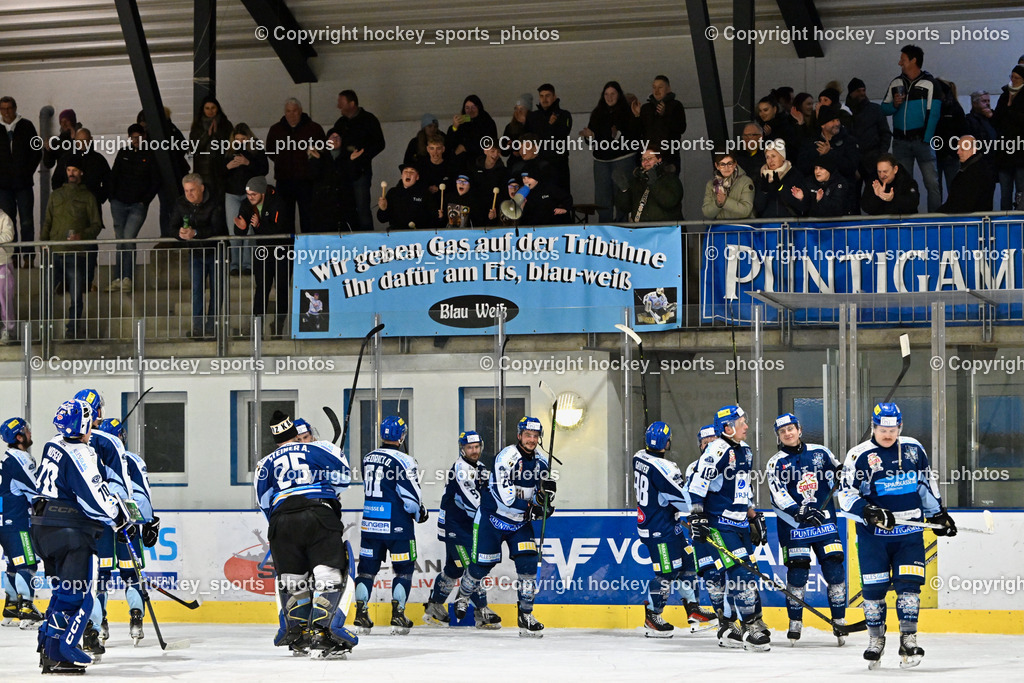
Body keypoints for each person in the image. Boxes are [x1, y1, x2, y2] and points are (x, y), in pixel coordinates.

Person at [838, 402, 957, 670]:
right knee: (873, 591)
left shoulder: (914, 449)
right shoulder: (859, 455)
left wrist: (938, 514)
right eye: (883, 429)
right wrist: (868, 510)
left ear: (900, 427)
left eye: (893, 429)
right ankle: (876, 640)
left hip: (909, 534)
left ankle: (908, 638)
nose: (888, 434)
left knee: (909, 589)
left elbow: (926, 483)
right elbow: (845, 494)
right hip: (874, 538)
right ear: (874, 427)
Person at [32, 399, 135, 674]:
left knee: (62, 591)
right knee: (77, 594)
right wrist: (120, 517)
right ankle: (61, 653)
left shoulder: (52, 443)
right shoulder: (82, 454)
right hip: (69, 531)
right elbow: (95, 498)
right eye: (92, 422)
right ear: (83, 424)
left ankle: (48, 646)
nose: (94, 427)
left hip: (42, 527)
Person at [254, 411, 358, 659]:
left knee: (293, 580)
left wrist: (281, 524)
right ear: (295, 434)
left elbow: (263, 501)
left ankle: (298, 633)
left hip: (281, 522)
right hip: (318, 514)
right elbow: (344, 479)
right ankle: (323, 632)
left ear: (276, 439)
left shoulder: (265, 463)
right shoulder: (315, 450)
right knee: (328, 575)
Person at [453, 416, 555, 637]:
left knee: (528, 566)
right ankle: (463, 594)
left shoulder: (542, 463)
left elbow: (537, 497)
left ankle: (525, 615)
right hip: (493, 519)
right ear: (519, 435)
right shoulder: (506, 457)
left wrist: (545, 500)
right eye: (528, 435)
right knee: (481, 567)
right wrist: (532, 509)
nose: (532, 439)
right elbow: (505, 497)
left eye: (536, 436)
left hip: (519, 523)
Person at [687, 405, 771, 652]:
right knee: (739, 573)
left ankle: (749, 621)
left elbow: (741, 488)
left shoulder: (744, 450)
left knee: (748, 572)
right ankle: (748, 629)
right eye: (741, 422)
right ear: (727, 427)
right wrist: (698, 517)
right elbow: (697, 486)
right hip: (720, 524)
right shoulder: (717, 450)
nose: (746, 426)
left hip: (740, 522)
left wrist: (753, 515)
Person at [765, 413, 847, 646]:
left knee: (834, 568)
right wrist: (798, 512)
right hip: (795, 527)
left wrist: (844, 474)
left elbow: (841, 478)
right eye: (783, 431)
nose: (788, 433)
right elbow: (778, 494)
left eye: (791, 428)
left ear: (799, 429)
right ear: (779, 436)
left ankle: (839, 620)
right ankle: (795, 622)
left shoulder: (821, 452)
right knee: (798, 571)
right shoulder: (775, 462)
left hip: (825, 523)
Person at [632, 421, 715, 638]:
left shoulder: (639, 456)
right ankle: (653, 615)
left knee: (689, 563)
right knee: (667, 572)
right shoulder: (666, 468)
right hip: (659, 529)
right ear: (666, 442)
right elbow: (684, 501)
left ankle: (693, 610)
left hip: (668, 524)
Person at [353, 416, 427, 635]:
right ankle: (398, 615)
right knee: (404, 570)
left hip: (371, 524)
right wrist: (420, 513)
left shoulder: (367, 458)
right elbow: (412, 499)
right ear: (402, 436)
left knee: (366, 571)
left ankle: (361, 615)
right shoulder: (406, 460)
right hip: (398, 526)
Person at [73, 389, 132, 656]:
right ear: (97, 411)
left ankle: (76, 633)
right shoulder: (110, 443)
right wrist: (126, 520)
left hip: (67, 525)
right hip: (100, 524)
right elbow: (121, 487)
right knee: (95, 581)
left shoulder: (59, 442)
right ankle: (92, 631)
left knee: (75, 583)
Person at [423, 431, 501, 629]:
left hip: (467, 526)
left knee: (455, 568)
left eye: (476, 447)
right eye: (469, 448)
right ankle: (480, 611)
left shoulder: (481, 467)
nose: (474, 451)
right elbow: (473, 500)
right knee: (472, 565)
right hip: (455, 526)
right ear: (462, 449)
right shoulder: (460, 468)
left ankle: (433, 606)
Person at [94, 417, 160, 646]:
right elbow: (142, 493)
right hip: (127, 523)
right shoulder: (132, 459)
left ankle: (98, 624)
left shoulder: (90, 460)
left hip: (101, 526)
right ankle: (136, 621)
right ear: (121, 436)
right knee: (131, 577)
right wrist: (149, 521)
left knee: (100, 580)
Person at [41, 162, 102, 340]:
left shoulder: (88, 196)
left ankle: (72, 330)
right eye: (68, 170)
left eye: (75, 170)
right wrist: (43, 245)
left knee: (76, 296)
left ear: (81, 172)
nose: (71, 173)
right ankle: (45, 329)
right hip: (54, 252)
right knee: (46, 294)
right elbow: (47, 222)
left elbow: (97, 225)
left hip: (76, 253)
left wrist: (81, 235)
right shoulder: (55, 195)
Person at [880, 45, 942, 212]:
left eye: (903, 59)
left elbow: (934, 113)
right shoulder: (896, 82)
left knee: (932, 183)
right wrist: (894, 105)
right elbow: (883, 109)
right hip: (900, 141)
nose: (899, 62)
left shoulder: (930, 83)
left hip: (922, 141)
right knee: (902, 183)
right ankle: (907, 217)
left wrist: (927, 138)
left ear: (913, 61)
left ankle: (935, 218)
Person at [234, 176, 292, 337]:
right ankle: (257, 327)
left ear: (262, 193)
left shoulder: (278, 202)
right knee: (261, 289)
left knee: (282, 289)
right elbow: (241, 229)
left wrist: (259, 224)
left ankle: (279, 326)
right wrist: (240, 228)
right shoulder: (246, 205)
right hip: (263, 252)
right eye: (248, 194)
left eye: (253, 194)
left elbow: (278, 228)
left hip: (282, 252)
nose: (250, 197)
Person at [0, 416, 43, 626]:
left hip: (4, 523)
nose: (30, 433)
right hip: (17, 522)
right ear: (19, 437)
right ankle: (25, 606)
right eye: (26, 430)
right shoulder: (21, 460)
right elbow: (36, 490)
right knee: (28, 564)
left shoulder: (6, 461)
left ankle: (10, 606)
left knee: (13, 565)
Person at [107, 124, 160, 293]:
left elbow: (156, 180)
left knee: (128, 238)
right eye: (133, 137)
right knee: (120, 241)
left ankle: (127, 278)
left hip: (137, 205)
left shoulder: (151, 155)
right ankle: (118, 278)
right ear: (129, 138)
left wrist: (145, 201)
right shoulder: (123, 153)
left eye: (139, 136)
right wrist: (112, 197)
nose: (136, 140)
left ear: (144, 136)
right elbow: (114, 175)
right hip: (119, 203)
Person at [172, 173, 225, 339]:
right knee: (197, 290)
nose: (189, 194)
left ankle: (212, 327)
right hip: (195, 252)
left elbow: (218, 229)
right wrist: (179, 233)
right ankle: (197, 328)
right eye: (186, 191)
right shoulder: (181, 203)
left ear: (202, 188)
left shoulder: (215, 202)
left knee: (217, 291)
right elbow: (172, 226)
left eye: (192, 190)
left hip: (216, 252)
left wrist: (196, 232)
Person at [580, 81, 639, 222]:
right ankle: (604, 233)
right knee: (602, 199)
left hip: (623, 160)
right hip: (601, 162)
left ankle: (623, 230)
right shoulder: (597, 113)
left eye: (613, 94)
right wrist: (590, 137)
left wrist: (618, 136)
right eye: (606, 94)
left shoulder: (627, 112)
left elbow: (635, 136)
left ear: (619, 95)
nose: (609, 97)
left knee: (622, 198)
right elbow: (593, 139)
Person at [266, 98, 325, 231]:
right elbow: (270, 151)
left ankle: (308, 249)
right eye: (288, 111)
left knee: (308, 218)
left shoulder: (314, 128)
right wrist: (282, 160)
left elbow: (323, 151)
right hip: (284, 180)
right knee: (285, 218)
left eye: (294, 111)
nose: (292, 115)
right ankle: (289, 250)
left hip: (307, 180)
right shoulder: (276, 130)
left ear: (300, 111)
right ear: (284, 112)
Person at [334, 90, 386, 230]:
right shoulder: (340, 123)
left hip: (361, 172)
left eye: (341, 103)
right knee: (346, 208)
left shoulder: (369, 120)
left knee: (362, 208)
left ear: (352, 104)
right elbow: (332, 141)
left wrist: (362, 156)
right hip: (344, 173)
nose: (338, 106)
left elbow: (380, 143)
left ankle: (367, 243)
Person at [0, 96, 42, 264]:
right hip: (3, 186)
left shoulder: (27, 126)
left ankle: (28, 257)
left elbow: (37, 151)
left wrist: (26, 173)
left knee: (26, 221)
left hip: (23, 184)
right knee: (8, 222)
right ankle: (13, 257)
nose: (6, 112)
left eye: (9, 108)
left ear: (15, 108)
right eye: (3, 109)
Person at [223, 123, 269, 273]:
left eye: (243, 139)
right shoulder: (228, 151)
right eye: (237, 139)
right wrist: (228, 167)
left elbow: (264, 170)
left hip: (250, 194)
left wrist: (247, 163)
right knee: (234, 229)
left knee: (250, 228)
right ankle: (235, 264)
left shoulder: (256, 150)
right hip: (232, 193)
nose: (240, 142)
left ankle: (248, 264)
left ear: (249, 138)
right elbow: (218, 174)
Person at [846, 78, 893, 199]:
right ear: (851, 93)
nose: (862, 93)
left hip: (873, 160)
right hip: (853, 162)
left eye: (863, 90)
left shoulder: (875, 109)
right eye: (858, 90)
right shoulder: (845, 112)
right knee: (853, 198)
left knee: (876, 197)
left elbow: (886, 133)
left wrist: (881, 155)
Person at [307, 128, 357, 233]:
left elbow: (354, 176)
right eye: (332, 137)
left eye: (338, 137)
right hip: (323, 206)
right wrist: (317, 160)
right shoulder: (319, 154)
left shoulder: (348, 155)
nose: (335, 139)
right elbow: (313, 175)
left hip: (344, 203)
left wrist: (351, 161)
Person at [636, 76, 687, 177]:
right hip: (649, 157)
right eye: (654, 87)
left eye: (660, 87)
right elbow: (639, 133)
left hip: (669, 157)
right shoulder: (646, 108)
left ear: (668, 89)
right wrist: (637, 117)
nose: (656, 91)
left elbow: (681, 128)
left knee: (668, 188)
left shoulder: (676, 106)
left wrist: (665, 115)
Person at [615, 147, 683, 222]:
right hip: (640, 231)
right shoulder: (637, 181)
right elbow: (625, 208)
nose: (646, 162)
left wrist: (654, 183)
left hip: (664, 231)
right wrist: (624, 189)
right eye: (643, 159)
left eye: (649, 158)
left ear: (659, 159)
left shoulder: (670, 179)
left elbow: (669, 202)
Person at [796, 105, 860, 183]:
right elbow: (802, 167)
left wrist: (830, 153)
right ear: (823, 125)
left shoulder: (849, 140)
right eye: (832, 121)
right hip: (817, 189)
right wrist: (818, 156)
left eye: (837, 120)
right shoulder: (811, 142)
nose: (837, 123)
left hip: (843, 189)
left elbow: (851, 167)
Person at [527, 84, 573, 190]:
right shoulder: (533, 117)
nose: (544, 99)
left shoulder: (564, 115)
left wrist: (552, 126)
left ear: (554, 96)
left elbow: (563, 134)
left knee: (560, 196)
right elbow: (530, 139)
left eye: (547, 95)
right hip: (539, 163)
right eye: (542, 96)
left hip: (559, 164)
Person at [992, 66, 1024, 210]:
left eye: (1016, 78)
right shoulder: (1005, 94)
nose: (1013, 80)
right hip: (1004, 151)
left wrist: (1010, 108)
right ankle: (1004, 220)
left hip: (1021, 151)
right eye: (1011, 77)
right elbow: (997, 119)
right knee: (1005, 191)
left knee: (1021, 190)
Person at [188, 96, 232, 199]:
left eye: (213, 108)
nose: (210, 111)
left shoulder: (225, 124)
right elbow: (193, 148)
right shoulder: (197, 125)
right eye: (207, 108)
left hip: (221, 168)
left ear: (217, 109)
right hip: (202, 168)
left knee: (220, 200)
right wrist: (207, 135)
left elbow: (230, 146)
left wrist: (217, 134)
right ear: (203, 110)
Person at [940, 136, 996, 213]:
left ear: (974, 149)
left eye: (962, 149)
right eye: (958, 148)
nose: (958, 152)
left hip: (966, 219)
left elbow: (964, 203)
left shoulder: (974, 172)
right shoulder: (973, 168)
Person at [753, 140, 805, 218]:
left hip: (790, 225)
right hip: (768, 225)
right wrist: (764, 192)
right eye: (768, 157)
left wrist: (782, 188)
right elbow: (758, 208)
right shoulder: (763, 177)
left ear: (782, 157)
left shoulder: (794, 175)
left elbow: (802, 206)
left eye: (773, 156)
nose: (771, 160)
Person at [447, 95, 498, 173]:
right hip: (462, 165)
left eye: (473, 107)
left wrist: (465, 147)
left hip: (480, 164)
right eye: (467, 108)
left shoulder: (488, 123)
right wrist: (454, 128)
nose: (470, 111)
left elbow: (489, 144)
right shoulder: (462, 124)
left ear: (479, 108)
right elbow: (450, 143)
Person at [377, 164, 433, 229]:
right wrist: (383, 209)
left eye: (412, 172)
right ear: (402, 176)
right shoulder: (393, 192)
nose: (408, 174)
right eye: (405, 171)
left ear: (417, 177)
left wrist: (440, 217)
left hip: (418, 234)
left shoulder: (425, 193)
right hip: (396, 234)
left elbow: (432, 218)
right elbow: (382, 219)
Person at [702, 152, 755, 220]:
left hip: (742, 228)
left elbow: (746, 211)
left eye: (729, 163)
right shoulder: (711, 184)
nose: (726, 168)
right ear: (717, 166)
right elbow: (707, 212)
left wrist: (725, 201)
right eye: (722, 164)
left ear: (735, 164)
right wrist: (718, 203)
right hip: (720, 228)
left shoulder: (746, 181)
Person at [0, 208, 15, 344]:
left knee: (4, 298)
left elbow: (8, 235)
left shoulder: (4, 218)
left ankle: (8, 330)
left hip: (3, 262)